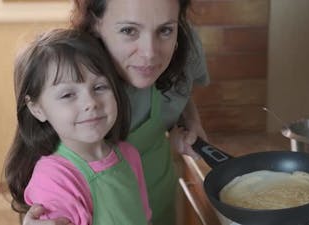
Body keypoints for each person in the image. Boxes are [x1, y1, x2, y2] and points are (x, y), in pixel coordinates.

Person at [23, 0, 210, 224]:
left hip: (159, 200)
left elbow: (182, 89)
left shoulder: (184, 46)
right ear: (94, 23)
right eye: (129, 30)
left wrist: (190, 123)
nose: (150, 53)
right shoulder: (73, 79)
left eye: (165, 30)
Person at [4, 28, 152, 225]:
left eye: (100, 87)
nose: (90, 102)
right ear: (37, 108)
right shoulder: (54, 180)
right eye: (68, 95)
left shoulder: (129, 155)